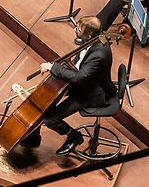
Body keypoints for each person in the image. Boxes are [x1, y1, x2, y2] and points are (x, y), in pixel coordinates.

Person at [21, 17, 116, 155]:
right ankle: (33, 138)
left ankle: (74, 136)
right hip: (83, 84)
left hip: (90, 93)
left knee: (50, 119)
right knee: (43, 103)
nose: (75, 29)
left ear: (89, 35)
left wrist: (53, 67)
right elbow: (78, 64)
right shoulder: (94, 39)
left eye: (78, 29)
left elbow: (79, 78)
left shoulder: (99, 54)